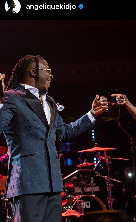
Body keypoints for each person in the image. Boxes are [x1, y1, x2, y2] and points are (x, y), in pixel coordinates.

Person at [0, 55, 108, 222]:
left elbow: (65, 133)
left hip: (53, 184)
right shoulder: (12, 97)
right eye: (47, 71)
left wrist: (92, 114)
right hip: (27, 184)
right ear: (33, 72)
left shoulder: (50, 102)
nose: (51, 75)